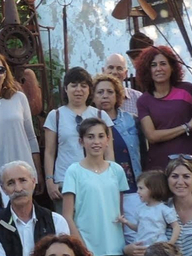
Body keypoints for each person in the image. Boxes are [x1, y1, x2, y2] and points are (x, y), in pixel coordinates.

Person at [61, 117, 132, 256]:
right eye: (90, 137)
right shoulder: (74, 171)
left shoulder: (116, 170)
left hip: (115, 247)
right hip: (88, 247)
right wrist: (82, 248)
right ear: (81, 141)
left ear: (108, 139)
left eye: (101, 136)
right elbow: (67, 215)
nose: (96, 141)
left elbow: (120, 209)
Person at [135, 44, 192, 173]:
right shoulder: (144, 101)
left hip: (191, 164)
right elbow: (152, 136)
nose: (159, 69)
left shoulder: (187, 89)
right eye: (153, 65)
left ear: (172, 67)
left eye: (163, 64)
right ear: (147, 70)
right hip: (160, 168)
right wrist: (187, 126)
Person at [44, 67, 107, 203]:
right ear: (66, 89)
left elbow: (109, 151)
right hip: (64, 180)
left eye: (83, 86)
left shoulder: (100, 115)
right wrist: (49, 180)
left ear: (89, 89)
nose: (78, 90)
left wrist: (110, 177)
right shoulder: (55, 115)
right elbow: (49, 152)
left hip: (96, 179)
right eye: (74, 85)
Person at [122, 169, 180, 256]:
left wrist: (170, 243)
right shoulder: (140, 209)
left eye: (141, 188)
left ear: (153, 189)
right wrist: (126, 222)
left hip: (157, 247)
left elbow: (176, 226)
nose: (137, 192)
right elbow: (138, 228)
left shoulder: (163, 209)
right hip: (141, 247)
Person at [93, 72, 141, 186]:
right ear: (93, 96)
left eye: (110, 92)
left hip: (134, 185)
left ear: (117, 96)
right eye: (100, 92)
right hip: (102, 185)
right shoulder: (87, 123)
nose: (105, 96)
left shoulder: (132, 120)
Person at [102, 53, 142, 117]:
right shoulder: (96, 98)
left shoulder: (138, 98)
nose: (114, 72)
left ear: (126, 73)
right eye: (111, 67)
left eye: (119, 68)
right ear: (103, 71)